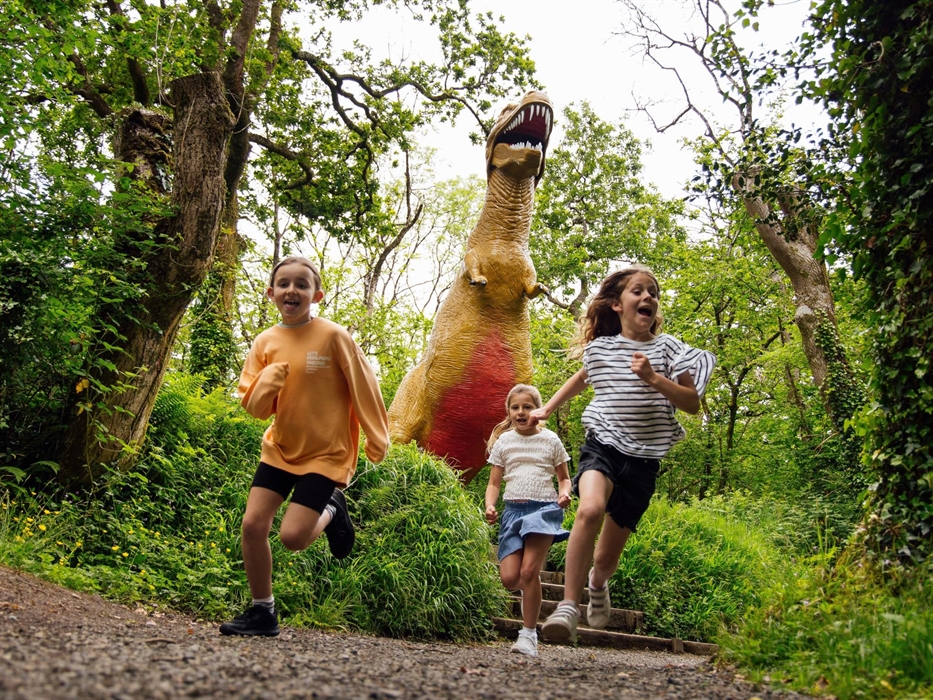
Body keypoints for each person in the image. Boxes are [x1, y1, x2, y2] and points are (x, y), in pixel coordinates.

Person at [530, 266, 715, 644]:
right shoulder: (600, 349)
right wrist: (546, 409)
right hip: (604, 444)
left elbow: (693, 404)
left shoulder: (669, 350)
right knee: (590, 509)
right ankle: (568, 607)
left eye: (653, 293)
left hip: (644, 459)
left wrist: (652, 378)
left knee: (605, 560)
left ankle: (597, 583)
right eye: (638, 291)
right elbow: (581, 378)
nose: (648, 297)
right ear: (616, 304)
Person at [220, 256, 390, 637]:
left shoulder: (334, 336)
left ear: (317, 294)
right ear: (271, 293)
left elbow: (365, 386)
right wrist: (267, 380)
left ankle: (333, 508)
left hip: (327, 454)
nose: (291, 290)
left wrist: (377, 437)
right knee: (252, 525)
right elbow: (254, 406)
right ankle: (263, 612)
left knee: (293, 538)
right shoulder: (265, 341)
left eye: (301, 284)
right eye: (283, 284)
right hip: (280, 447)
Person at [484, 384, 572, 657]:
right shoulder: (504, 442)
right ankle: (531, 593)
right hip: (512, 511)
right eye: (515, 407)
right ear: (509, 412)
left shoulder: (551, 440)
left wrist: (564, 494)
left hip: (543, 510)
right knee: (511, 578)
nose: (521, 412)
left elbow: (564, 478)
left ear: (538, 409)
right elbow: (494, 482)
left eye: (527, 406)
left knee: (528, 572)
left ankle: (529, 635)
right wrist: (490, 504)